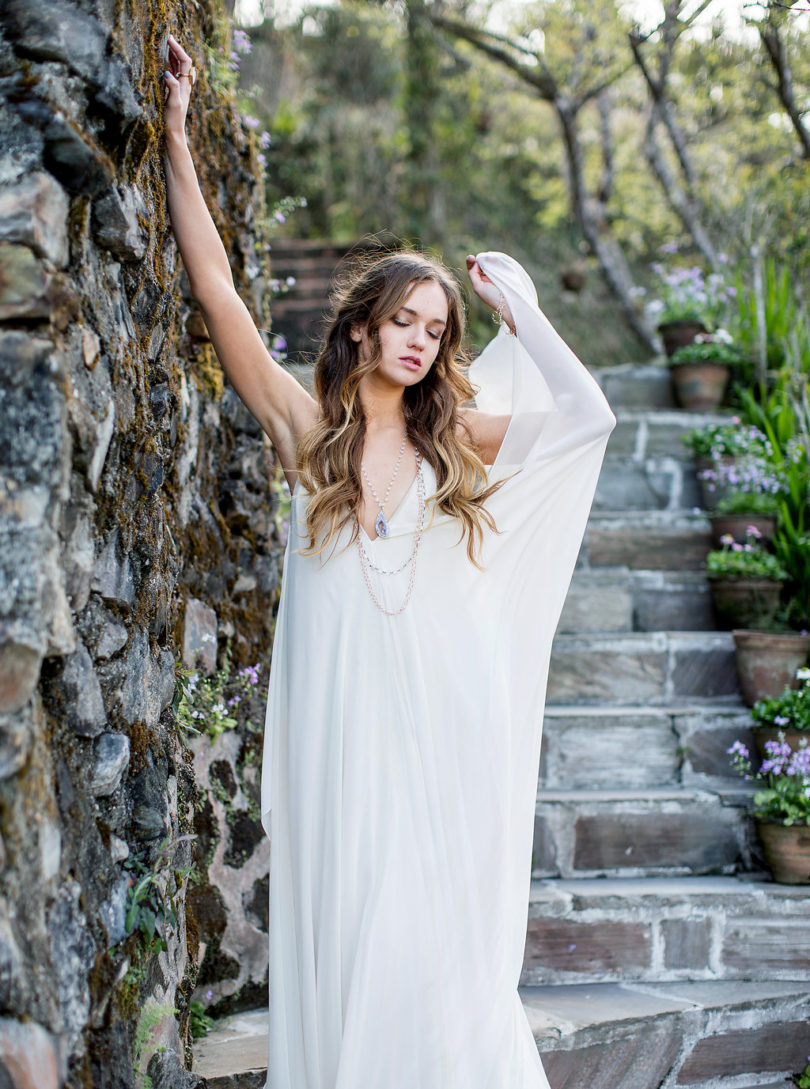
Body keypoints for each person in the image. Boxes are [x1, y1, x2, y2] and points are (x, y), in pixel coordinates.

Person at [163, 33, 616, 1089]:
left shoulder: (454, 435)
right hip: (340, 725)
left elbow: (587, 418)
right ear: (363, 329)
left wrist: (528, 316)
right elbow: (218, 290)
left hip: (449, 715)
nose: (419, 338)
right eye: (403, 320)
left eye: (437, 326)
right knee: (351, 912)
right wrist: (179, 135)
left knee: (439, 934)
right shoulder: (299, 425)